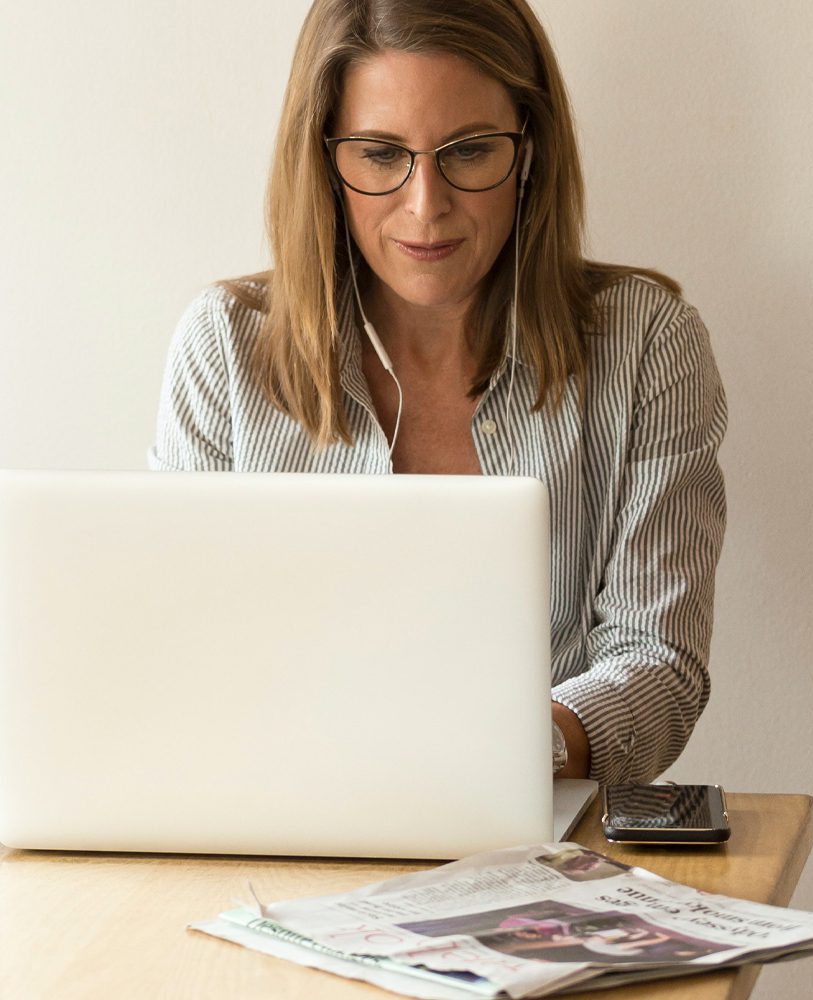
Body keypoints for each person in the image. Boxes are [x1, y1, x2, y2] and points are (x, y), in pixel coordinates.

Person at [150, 0, 727, 785]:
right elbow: (180, 650)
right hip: (280, 825)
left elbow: (659, 663)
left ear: (529, 149)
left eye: (469, 151)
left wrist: (515, 756)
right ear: (323, 160)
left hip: (537, 841)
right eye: (382, 155)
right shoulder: (223, 347)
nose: (427, 206)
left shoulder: (646, 343)